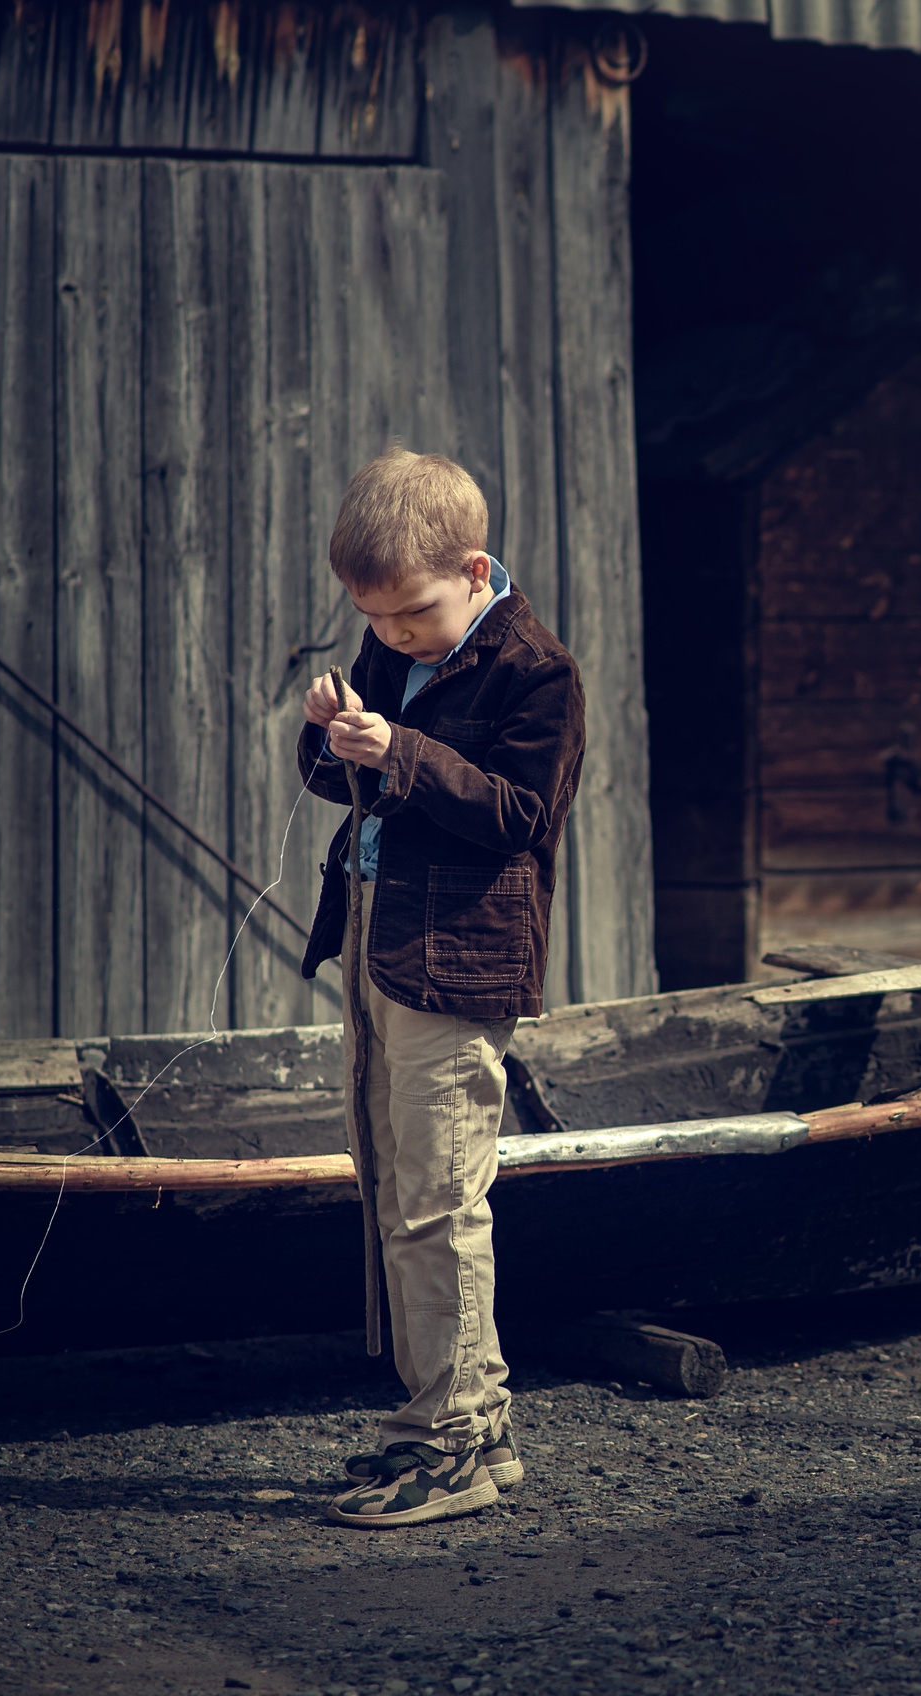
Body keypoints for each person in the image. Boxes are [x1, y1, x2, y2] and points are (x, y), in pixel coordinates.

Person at [297, 447, 585, 1528]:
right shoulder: (388, 648)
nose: (395, 634)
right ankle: (465, 1422)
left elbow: (521, 815)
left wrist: (400, 751)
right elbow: (335, 779)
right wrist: (334, 730)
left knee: (439, 1197)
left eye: (413, 612)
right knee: (394, 1183)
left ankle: (456, 1439)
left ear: (474, 569)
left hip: (458, 955)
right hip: (377, 938)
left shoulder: (536, 670)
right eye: (372, 618)